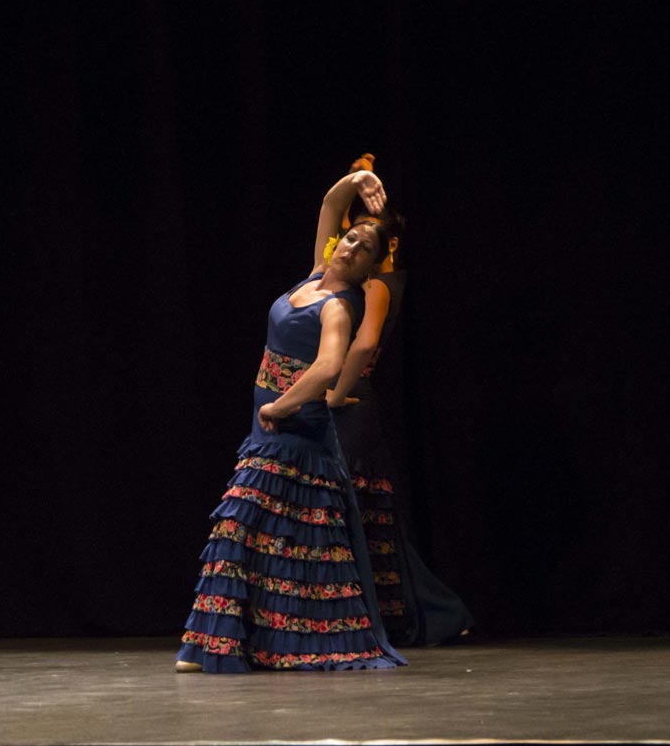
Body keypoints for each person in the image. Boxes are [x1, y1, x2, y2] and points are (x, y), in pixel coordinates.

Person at [174, 168, 408, 673]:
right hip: (269, 431)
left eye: (364, 249)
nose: (351, 248)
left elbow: (328, 366)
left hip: (295, 433)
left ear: (371, 268)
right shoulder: (315, 275)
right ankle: (239, 643)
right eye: (351, 238)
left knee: (241, 526)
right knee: (280, 540)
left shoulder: (340, 306)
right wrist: (359, 178)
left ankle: (215, 647)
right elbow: (329, 205)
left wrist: (280, 406)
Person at [324, 156, 474, 647]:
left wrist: (334, 394)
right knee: (363, 519)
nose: (347, 243)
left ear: (384, 245)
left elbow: (365, 345)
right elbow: (331, 219)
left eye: (362, 237)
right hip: (346, 403)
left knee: (363, 517)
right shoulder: (359, 278)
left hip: (351, 406)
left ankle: (436, 612)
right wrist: (357, 177)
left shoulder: (378, 285)